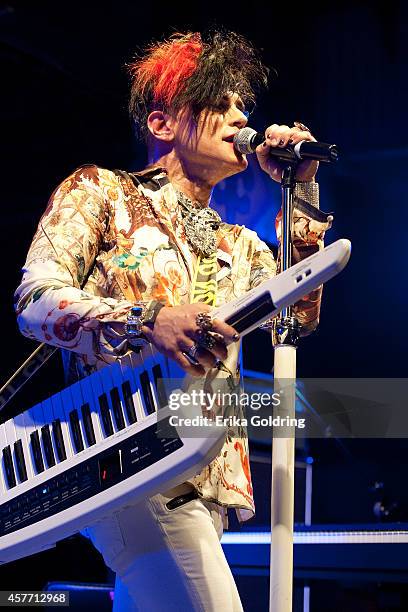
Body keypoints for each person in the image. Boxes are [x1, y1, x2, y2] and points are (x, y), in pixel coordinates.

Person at [14, 30, 332, 612]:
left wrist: (300, 186)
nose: (241, 119)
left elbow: (299, 317)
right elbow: (36, 301)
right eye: (220, 103)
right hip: (124, 455)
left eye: (243, 106)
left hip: (204, 474)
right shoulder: (103, 194)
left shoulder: (242, 245)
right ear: (163, 124)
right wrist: (148, 318)